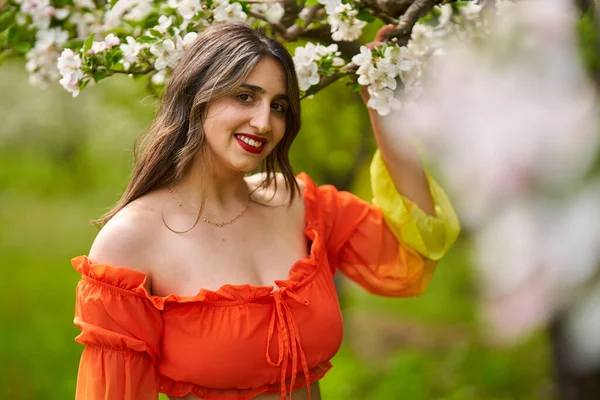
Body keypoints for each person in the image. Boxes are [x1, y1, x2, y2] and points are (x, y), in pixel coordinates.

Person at [71, 22, 460, 400]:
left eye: (278, 106)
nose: (263, 122)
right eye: (244, 96)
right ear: (197, 95)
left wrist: (383, 107)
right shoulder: (131, 241)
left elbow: (415, 252)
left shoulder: (301, 205)